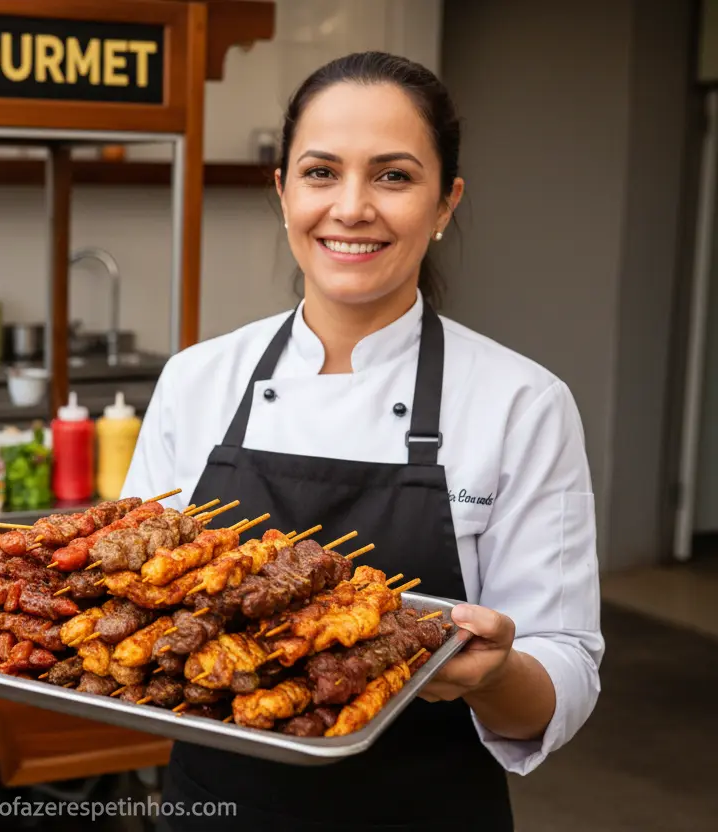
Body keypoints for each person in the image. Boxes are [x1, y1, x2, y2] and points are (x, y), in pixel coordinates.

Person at [120, 51, 603, 830]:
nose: (351, 207)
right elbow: (132, 610)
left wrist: (494, 675)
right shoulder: (197, 380)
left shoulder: (522, 403)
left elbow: (564, 670)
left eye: (393, 176)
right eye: (320, 172)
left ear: (445, 202)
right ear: (283, 192)